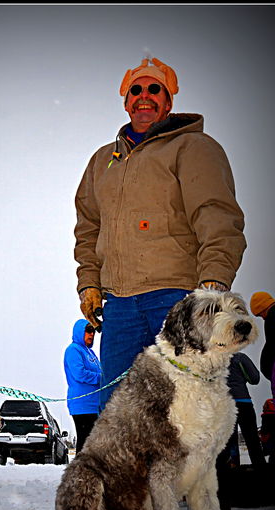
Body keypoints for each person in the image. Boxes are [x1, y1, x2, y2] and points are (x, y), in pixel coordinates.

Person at [73, 56, 247, 413]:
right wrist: (89, 284)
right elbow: (88, 228)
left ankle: (211, 470)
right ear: (125, 101)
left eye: (155, 89)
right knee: (119, 412)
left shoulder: (194, 148)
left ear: (168, 102)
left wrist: (213, 282)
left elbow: (216, 215)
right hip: (119, 306)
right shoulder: (102, 161)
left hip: (178, 298)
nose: (145, 96)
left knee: (191, 406)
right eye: (136, 90)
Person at [63, 319, 102, 453]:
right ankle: (80, 471)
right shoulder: (73, 350)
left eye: (93, 332)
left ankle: (90, 471)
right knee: (86, 441)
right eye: (88, 331)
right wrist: (101, 378)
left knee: (94, 442)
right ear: (79, 332)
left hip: (94, 404)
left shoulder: (90, 353)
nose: (91, 334)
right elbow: (79, 374)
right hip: (82, 404)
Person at [224, 352, 266, 469]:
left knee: (228, 441)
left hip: (224, 404)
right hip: (244, 402)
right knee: (252, 439)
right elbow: (255, 378)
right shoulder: (240, 357)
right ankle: (261, 471)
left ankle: (230, 470)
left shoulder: (213, 359)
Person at [249, 291, 275, 381]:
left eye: (260, 315)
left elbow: (274, 344)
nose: (263, 318)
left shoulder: (271, 317)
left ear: (262, 308)